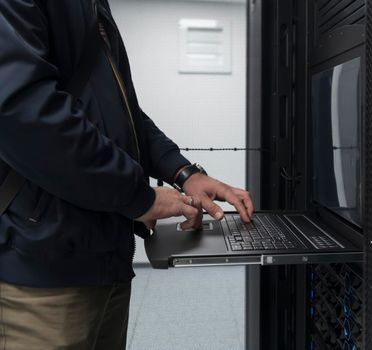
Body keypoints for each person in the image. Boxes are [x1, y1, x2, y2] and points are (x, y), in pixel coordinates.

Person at [0, 0, 253, 349]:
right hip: (41, 270)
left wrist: (184, 172)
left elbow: (124, 116)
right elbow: (24, 115)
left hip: (104, 256)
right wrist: (141, 197)